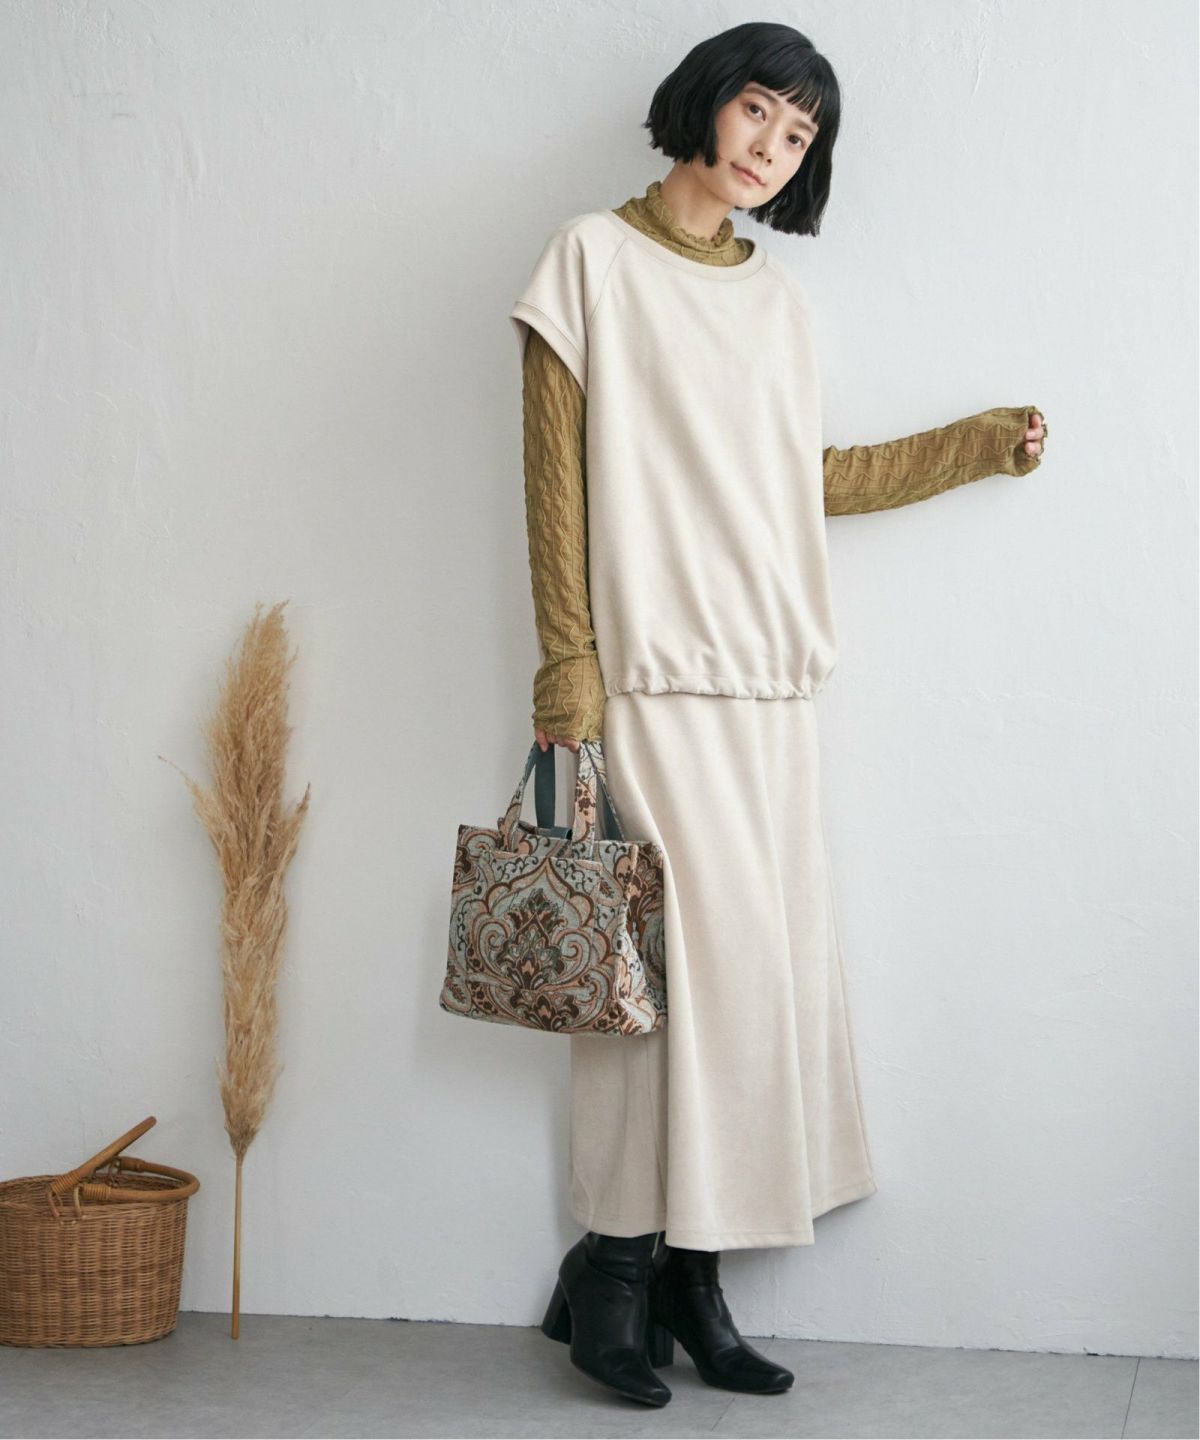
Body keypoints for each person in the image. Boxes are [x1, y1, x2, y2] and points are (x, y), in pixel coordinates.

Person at [509, 21, 1048, 1409]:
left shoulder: (776, 303)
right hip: (644, 678)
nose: (770, 146)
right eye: (759, 110)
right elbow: (555, 478)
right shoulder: (590, 259)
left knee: (749, 988)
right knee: (644, 987)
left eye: (800, 135)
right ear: (707, 101)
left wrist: (978, 445)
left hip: (767, 685)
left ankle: (690, 1282)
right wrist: (567, 669)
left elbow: (797, 482)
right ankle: (612, 1271)